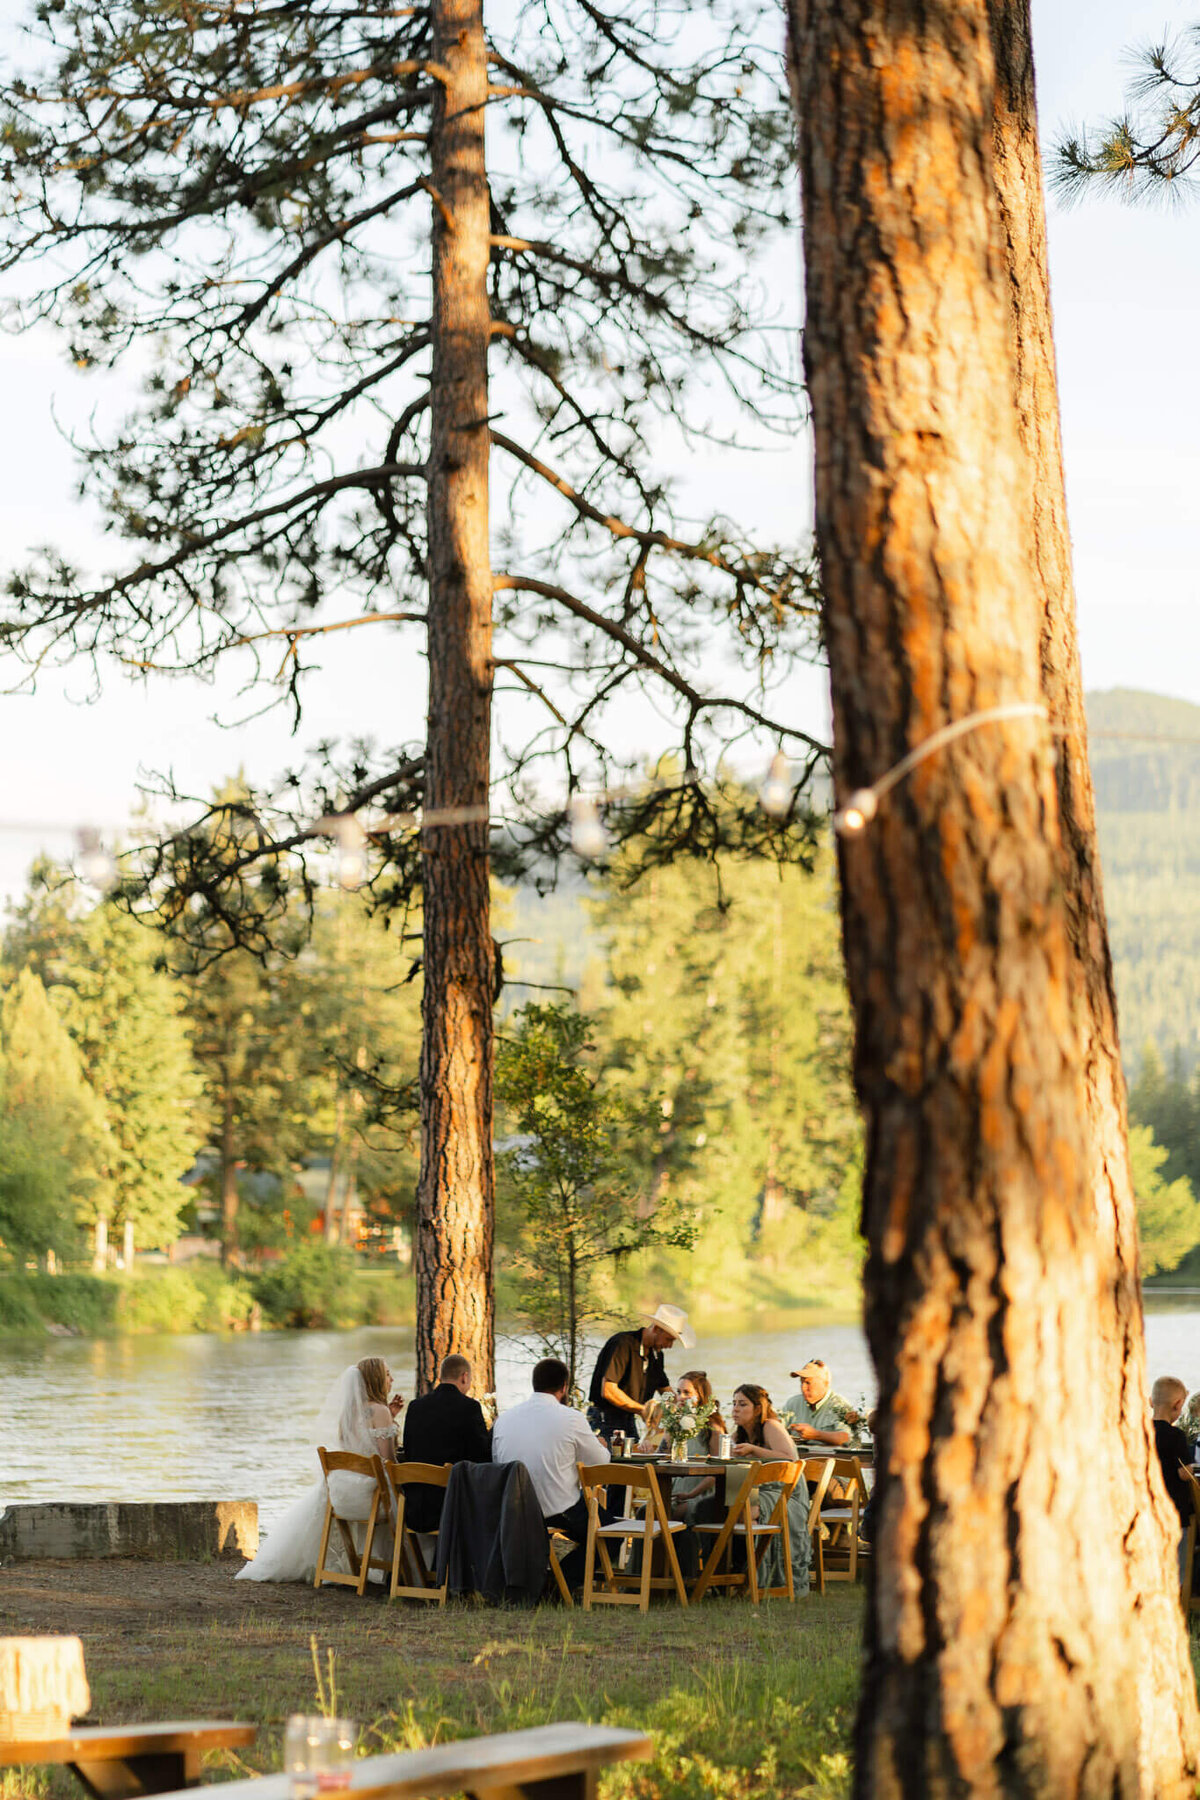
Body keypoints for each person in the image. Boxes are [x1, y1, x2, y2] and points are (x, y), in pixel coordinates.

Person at [236, 1358, 402, 1584]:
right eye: (388, 1374)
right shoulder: (379, 1410)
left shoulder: (349, 1412)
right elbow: (389, 1459)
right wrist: (391, 1426)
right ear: (376, 1380)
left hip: (342, 1495)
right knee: (403, 1497)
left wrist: (389, 1419)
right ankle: (402, 1571)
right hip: (367, 1500)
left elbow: (355, 1448)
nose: (391, 1379)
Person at [493, 1355, 612, 1588]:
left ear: (534, 1384)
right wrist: (602, 1446)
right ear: (564, 1387)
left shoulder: (505, 1419)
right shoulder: (571, 1418)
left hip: (514, 1509)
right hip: (556, 1508)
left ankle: (551, 1580)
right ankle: (558, 1582)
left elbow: (498, 1462)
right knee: (608, 1534)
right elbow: (600, 1464)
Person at [730, 1381, 810, 1594]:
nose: (735, 1409)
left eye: (742, 1404)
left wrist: (754, 1450)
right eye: (734, 1404)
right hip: (755, 1492)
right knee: (717, 1506)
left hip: (786, 1494)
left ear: (758, 1408)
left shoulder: (770, 1426)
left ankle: (756, 1577)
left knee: (745, 1510)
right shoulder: (738, 1435)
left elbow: (789, 1458)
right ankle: (731, 1574)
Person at [401, 1353, 492, 1530]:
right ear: (464, 1377)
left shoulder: (415, 1407)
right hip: (453, 1508)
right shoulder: (469, 1408)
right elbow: (481, 1457)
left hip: (416, 1508)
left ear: (440, 1377)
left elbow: (409, 1451)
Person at [587, 1304, 695, 1442]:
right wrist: (643, 1410)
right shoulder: (623, 1344)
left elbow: (665, 1391)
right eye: (669, 1339)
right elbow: (608, 1390)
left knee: (636, 1459)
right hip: (603, 1419)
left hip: (628, 1418)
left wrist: (683, 1409)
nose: (670, 1346)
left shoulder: (656, 1356)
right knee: (611, 1461)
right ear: (656, 1329)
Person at [1152, 1374, 1194, 1584]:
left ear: (1151, 1402)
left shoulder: (1141, 1431)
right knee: (1175, 1569)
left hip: (1148, 1510)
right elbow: (1183, 1473)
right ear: (1178, 1405)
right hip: (1173, 1513)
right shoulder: (1175, 1436)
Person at [782, 1358, 854, 1448]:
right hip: (798, 1459)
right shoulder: (792, 1403)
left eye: (808, 1383)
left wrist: (816, 1435)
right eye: (801, 1382)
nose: (803, 1388)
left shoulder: (840, 1405)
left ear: (826, 1383)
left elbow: (847, 1438)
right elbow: (776, 1426)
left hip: (830, 1459)